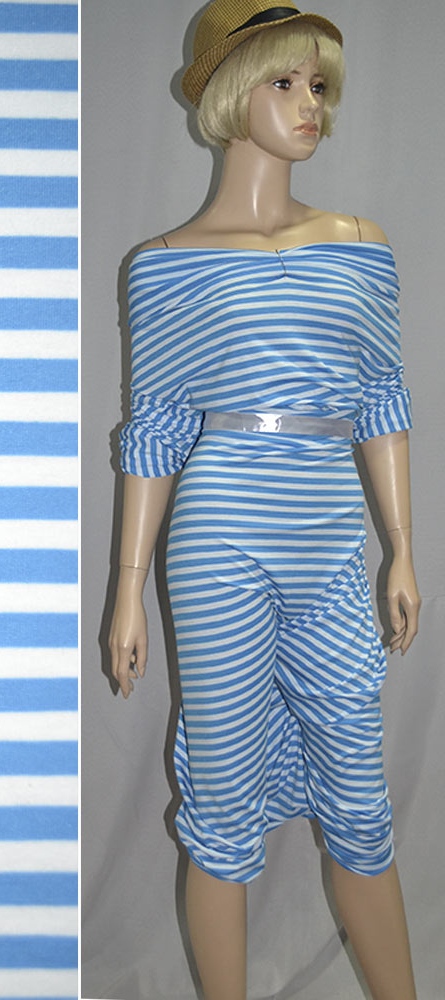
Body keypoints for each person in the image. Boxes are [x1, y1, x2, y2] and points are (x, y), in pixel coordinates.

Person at [106, 3, 421, 998]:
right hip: (217, 538)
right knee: (223, 796)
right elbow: (156, 426)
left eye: (317, 84)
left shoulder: (360, 244)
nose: (309, 103)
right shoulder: (162, 264)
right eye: (284, 81)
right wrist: (125, 588)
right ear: (231, 95)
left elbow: (382, 399)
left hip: (329, 540)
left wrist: (401, 547)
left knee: (359, 796)